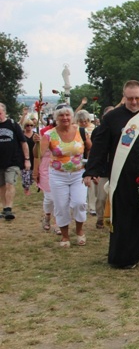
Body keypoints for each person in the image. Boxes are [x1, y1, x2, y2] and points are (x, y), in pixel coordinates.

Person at [83, 80, 139, 268]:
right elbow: (100, 146)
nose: (135, 102)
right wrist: (92, 171)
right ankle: (124, 257)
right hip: (121, 175)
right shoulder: (112, 118)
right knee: (124, 217)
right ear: (124, 97)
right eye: (130, 99)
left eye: (138, 98)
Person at [33, 104, 91, 247]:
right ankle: (65, 237)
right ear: (56, 118)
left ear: (72, 117)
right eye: (61, 115)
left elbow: (91, 148)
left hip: (79, 174)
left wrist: (91, 170)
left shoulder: (81, 132)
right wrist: (36, 143)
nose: (65, 118)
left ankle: (79, 231)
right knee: (61, 205)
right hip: (58, 175)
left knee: (79, 203)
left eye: (67, 115)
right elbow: (38, 154)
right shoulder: (49, 135)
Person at [0, 102, 30, 220]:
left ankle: (9, 208)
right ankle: (4, 209)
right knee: (1, 185)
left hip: (13, 160)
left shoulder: (13, 125)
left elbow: (24, 143)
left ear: (4, 112)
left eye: (0, 113)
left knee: (9, 183)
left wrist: (27, 159)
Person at [21, 120, 36, 196]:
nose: (29, 127)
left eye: (31, 125)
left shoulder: (35, 135)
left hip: (34, 157)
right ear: (25, 126)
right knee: (26, 174)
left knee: (33, 175)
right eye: (27, 125)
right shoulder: (22, 135)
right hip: (25, 157)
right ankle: (26, 189)